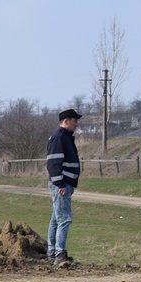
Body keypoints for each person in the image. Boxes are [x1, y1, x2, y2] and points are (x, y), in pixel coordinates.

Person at [46, 109, 82, 264]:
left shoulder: (65, 137)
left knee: (56, 219)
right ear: (66, 121)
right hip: (61, 185)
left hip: (65, 184)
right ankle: (60, 254)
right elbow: (53, 163)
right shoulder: (59, 137)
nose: (76, 124)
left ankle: (52, 251)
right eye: (74, 120)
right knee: (64, 219)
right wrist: (60, 183)